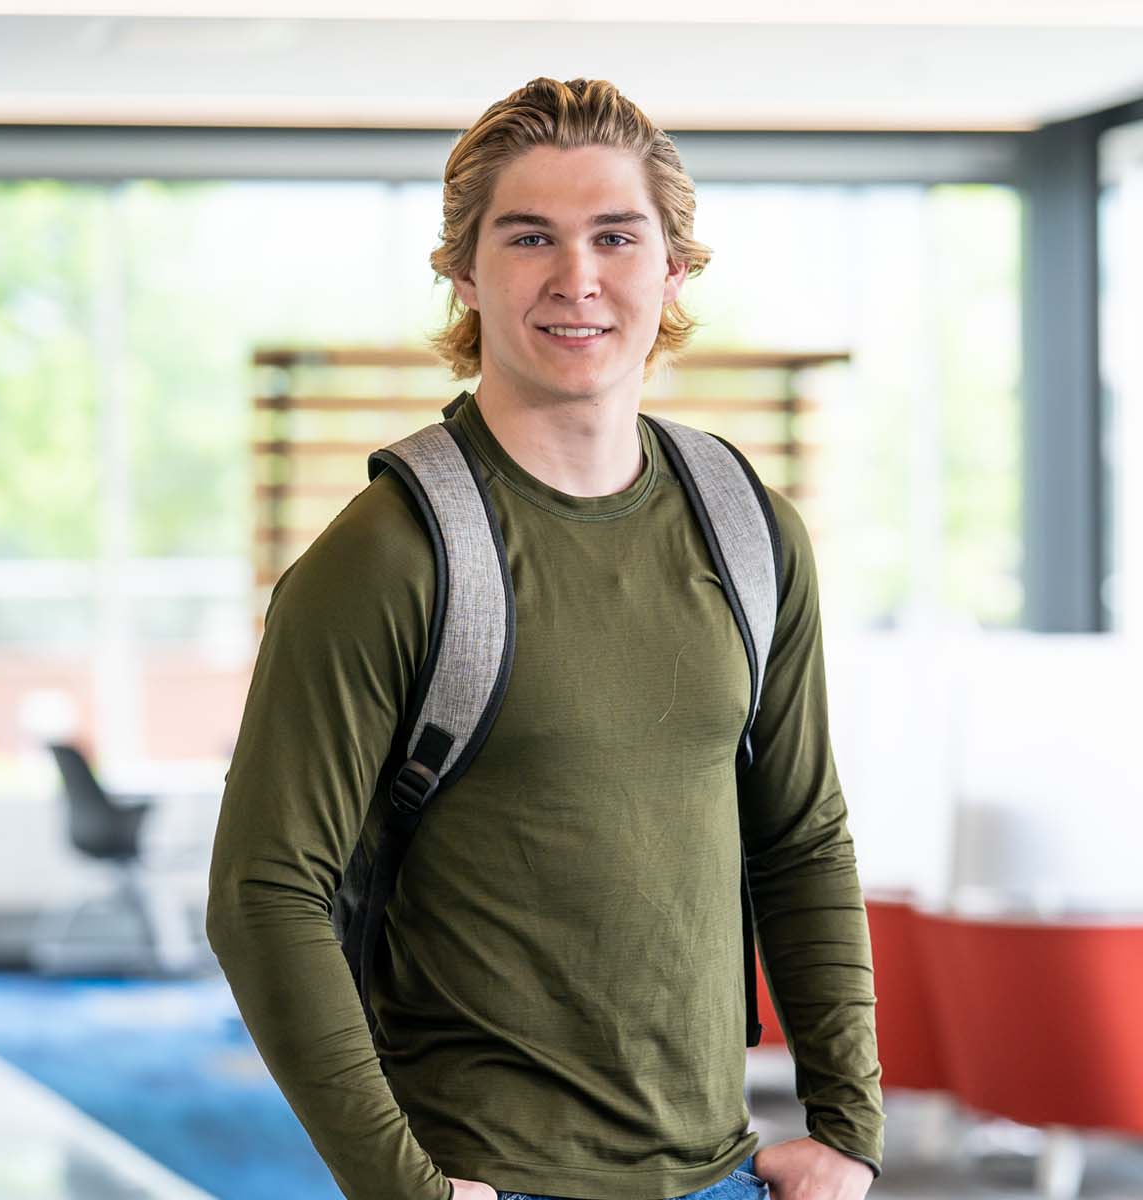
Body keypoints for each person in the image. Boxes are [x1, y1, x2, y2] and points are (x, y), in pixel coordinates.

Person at [205, 76, 882, 1200]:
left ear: (672, 268)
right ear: (463, 272)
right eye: (530, 238)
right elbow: (265, 888)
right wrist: (400, 1185)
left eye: (615, 236)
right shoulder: (387, 555)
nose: (577, 278)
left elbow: (802, 832)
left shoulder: (749, 526)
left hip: (722, 1175)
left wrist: (848, 1125)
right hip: (487, 1179)